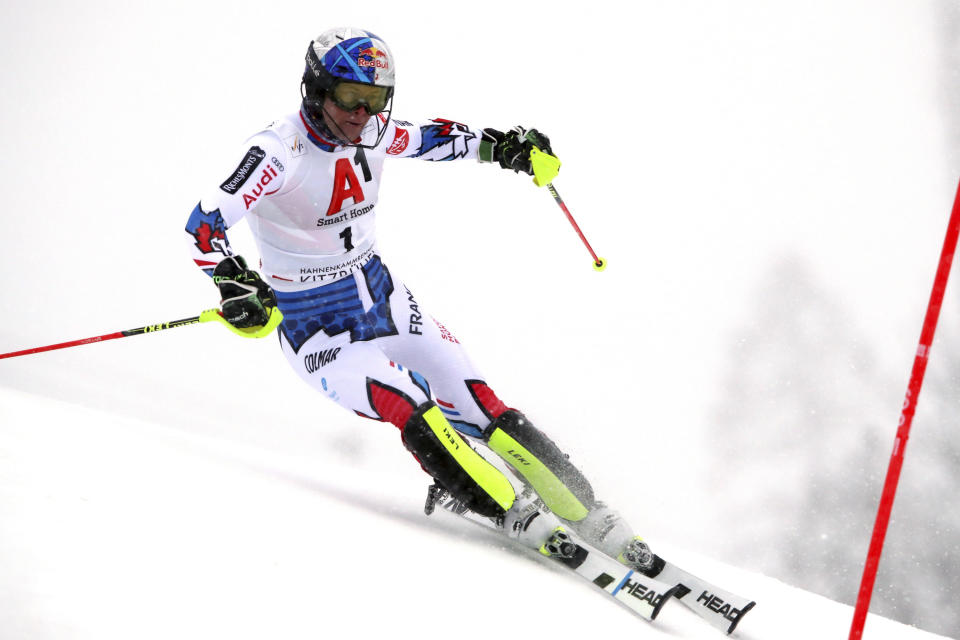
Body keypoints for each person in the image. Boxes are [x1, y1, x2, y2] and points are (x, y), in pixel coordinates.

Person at [184, 27, 653, 570]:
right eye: (348, 97)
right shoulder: (279, 149)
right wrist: (232, 280)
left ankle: (591, 514)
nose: (362, 114)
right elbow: (205, 223)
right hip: (317, 328)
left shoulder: (375, 133)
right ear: (315, 88)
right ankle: (510, 512)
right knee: (407, 402)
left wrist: (505, 148)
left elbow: (435, 139)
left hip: (383, 298)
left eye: (376, 99)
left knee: (482, 409)